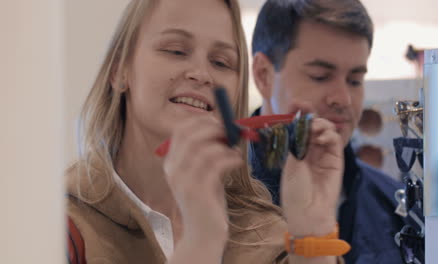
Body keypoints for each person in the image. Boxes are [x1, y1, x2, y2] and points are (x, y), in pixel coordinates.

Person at [66, 0, 347, 263]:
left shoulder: (265, 236)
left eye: (221, 62)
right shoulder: (59, 227)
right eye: (175, 50)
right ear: (119, 70)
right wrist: (201, 242)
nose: (201, 74)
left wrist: (313, 236)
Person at [249, 0, 408, 263]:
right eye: (320, 76)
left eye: (355, 80)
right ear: (264, 75)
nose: (343, 99)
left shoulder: (396, 208)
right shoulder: (209, 200)